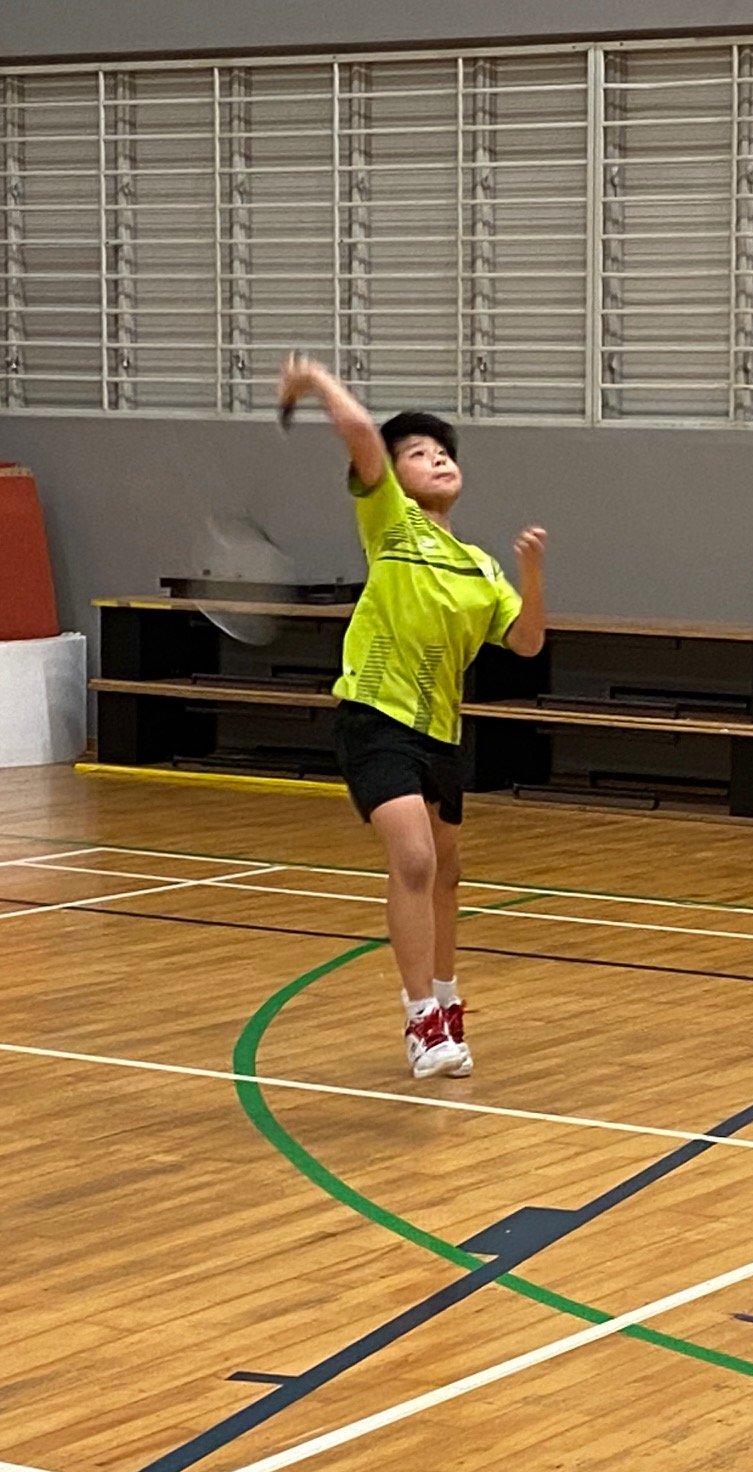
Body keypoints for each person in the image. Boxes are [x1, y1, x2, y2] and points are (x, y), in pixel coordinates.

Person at [277, 356, 547, 1079]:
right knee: (416, 858)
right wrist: (316, 381)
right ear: (392, 478)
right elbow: (362, 434)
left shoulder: (480, 566)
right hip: (375, 715)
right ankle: (420, 1019)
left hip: (441, 730)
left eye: (445, 452)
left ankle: (450, 1007)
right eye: (420, 454)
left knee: (448, 873)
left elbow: (526, 642)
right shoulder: (389, 521)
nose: (438, 460)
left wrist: (532, 576)